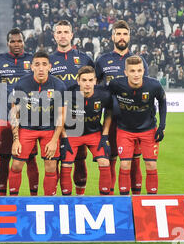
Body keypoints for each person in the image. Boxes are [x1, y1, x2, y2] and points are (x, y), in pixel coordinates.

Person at [95, 20, 149, 195]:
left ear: (129, 37)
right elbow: (96, 87)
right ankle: (110, 200)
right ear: (112, 37)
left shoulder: (138, 61)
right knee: (110, 158)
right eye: (118, 34)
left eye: (125, 34)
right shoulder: (102, 60)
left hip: (133, 120)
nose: (121, 37)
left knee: (134, 160)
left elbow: (145, 88)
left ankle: (136, 201)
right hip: (111, 118)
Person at [0, 28, 40, 196]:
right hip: (4, 116)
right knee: (4, 158)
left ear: (24, 42)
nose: (16, 44)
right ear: (8, 42)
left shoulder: (32, 60)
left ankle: (33, 196)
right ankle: (3, 197)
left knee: (30, 158)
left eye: (19, 41)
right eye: (13, 41)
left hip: (29, 117)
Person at [8, 50, 67, 196]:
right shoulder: (22, 84)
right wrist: (16, 140)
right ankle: (12, 200)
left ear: (50, 67)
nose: (41, 68)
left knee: (51, 166)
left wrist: (54, 140)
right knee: (16, 164)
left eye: (44, 64)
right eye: (37, 64)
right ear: (32, 67)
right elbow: (14, 112)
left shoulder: (59, 86)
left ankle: (49, 202)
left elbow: (61, 116)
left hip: (49, 129)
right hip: (27, 128)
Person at [108, 56, 167, 195]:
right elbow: (106, 99)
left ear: (143, 71)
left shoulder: (154, 85)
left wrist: (162, 126)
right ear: (125, 72)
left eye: (139, 70)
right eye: (132, 71)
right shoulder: (116, 84)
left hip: (148, 129)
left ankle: (151, 201)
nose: (136, 74)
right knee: (124, 164)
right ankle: (124, 200)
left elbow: (163, 102)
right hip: (125, 130)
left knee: (151, 165)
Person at [49, 20, 95, 196]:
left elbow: (94, 85)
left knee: (80, 158)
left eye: (65, 32)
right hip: (54, 117)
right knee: (55, 159)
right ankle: (55, 199)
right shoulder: (49, 61)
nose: (62, 35)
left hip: (80, 117)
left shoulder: (84, 58)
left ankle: (79, 196)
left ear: (71, 34)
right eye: (59, 32)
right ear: (54, 36)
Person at [60, 66, 113, 195]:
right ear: (78, 81)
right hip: (72, 134)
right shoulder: (68, 94)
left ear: (95, 81)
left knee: (105, 162)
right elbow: (59, 117)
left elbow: (109, 112)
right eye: (84, 80)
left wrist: (105, 135)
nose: (87, 84)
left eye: (90, 80)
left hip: (94, 133)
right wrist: (64, 137)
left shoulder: (104, 95)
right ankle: (67, 201)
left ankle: (104, 200)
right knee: (66, 165)